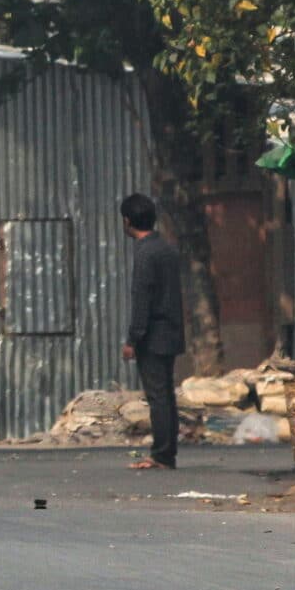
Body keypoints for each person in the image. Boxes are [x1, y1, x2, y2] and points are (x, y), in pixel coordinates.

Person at [121, 193, 185, 471]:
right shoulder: (167, 248)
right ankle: (167, 452)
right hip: (170, 331)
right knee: (166, 395)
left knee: (158, 396)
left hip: (153, 335)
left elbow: (142, 298)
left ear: (127, 221)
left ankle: (161, 454)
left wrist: (133, 338)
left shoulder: (145, 253)